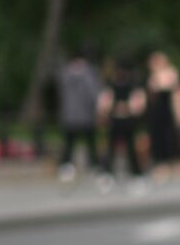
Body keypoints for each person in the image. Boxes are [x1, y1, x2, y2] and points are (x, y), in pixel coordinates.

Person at [56, 48, 103, 182]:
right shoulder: (70, 73)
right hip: (75, 114)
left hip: (82, 114)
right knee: (71, 142)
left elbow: (92, 92)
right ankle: (67, 166)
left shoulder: (84, 72)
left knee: (89, 142)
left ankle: (93, 165)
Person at [97, 58, 145, 186]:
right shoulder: (110, 85)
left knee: (131, 148)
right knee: (111, 148)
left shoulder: (133, 85)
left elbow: (137, 105)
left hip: (128, 121)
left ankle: (136, 173)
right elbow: (104, 104)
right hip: (114, 120)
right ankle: (107, 173)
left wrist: (123, 107)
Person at [145, 50, 180, 181]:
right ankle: (162, 164)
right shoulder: (151, 76)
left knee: (172, 136)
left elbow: (172, 88)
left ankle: (176, 162)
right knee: (158, 137)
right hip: (156, 111)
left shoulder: (171, 72)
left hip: (169, 108)